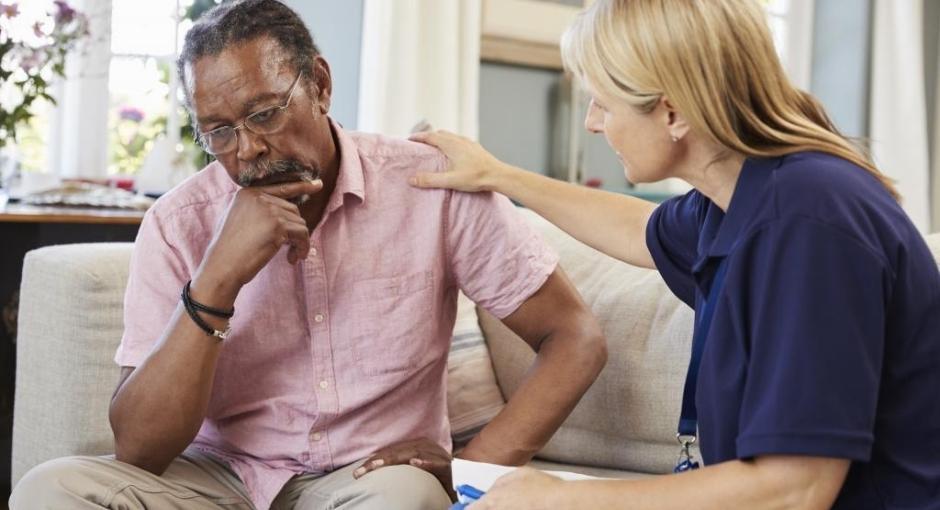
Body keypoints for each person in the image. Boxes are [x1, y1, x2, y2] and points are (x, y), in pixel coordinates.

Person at [8, 1, 609, 509]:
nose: (246, 151)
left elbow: (574, 338)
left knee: (408, 499)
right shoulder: (176, 223)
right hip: (219, 481)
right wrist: (218, 279)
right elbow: (139, 450)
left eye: (263, 114)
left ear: (319, 84)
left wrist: (476, 468)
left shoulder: (429, 186)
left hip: (369, 478)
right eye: (217, 131)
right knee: (53, 488)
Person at [408, 0, 940, 508]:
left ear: (672, 113)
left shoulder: (807, 222)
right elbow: (641, 229)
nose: (593, 123)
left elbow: (793, 491)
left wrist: (565, 498)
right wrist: (499, 175)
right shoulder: (739, 196)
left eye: (603, 103)